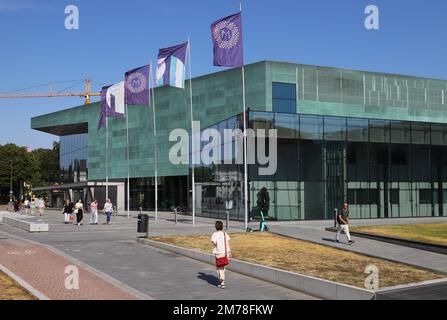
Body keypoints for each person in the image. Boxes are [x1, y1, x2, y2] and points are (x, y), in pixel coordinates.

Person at [211, 221, 231, 289]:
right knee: (223, 267)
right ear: (222, 226)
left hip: (218, 253)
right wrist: (229, 252)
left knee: (219, 267)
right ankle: (220, 281)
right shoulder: (225, 234)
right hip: (225, 253)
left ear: (216, 227)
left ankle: (222, 281)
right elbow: (228, 243)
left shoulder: (214, 234)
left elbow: (214, 243)